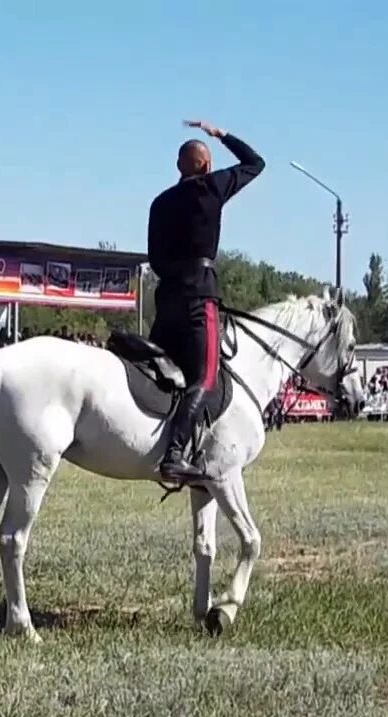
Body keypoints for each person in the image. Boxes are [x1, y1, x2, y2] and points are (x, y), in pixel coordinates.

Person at [147, 120, 265, 481]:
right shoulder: (211, 187)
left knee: (160, 369)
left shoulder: (160, 202)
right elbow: (255, 163)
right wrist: (222, 134)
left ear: (178, 166)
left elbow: (154, 258)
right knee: (206, 376)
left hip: (166, 298)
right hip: (199, 298)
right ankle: (175, 452)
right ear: (205, 165)